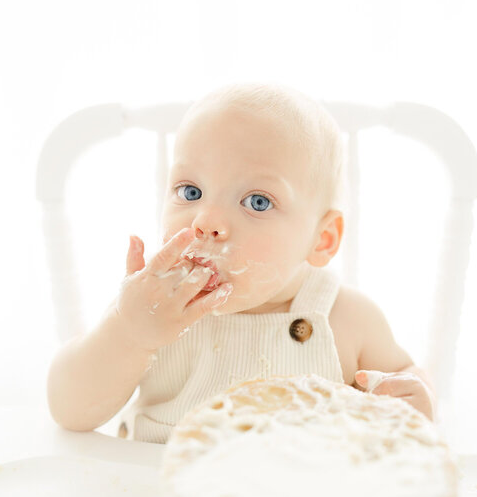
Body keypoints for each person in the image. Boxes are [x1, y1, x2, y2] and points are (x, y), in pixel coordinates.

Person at [46, 82, 436, 442]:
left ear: (322, 239)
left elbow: (403, 381)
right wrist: (129, 334)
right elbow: (70, 411)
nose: (207, 222)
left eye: (257, 201)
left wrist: (413, 404)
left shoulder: (348, 319)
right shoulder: (153, 308)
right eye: (191, 191)